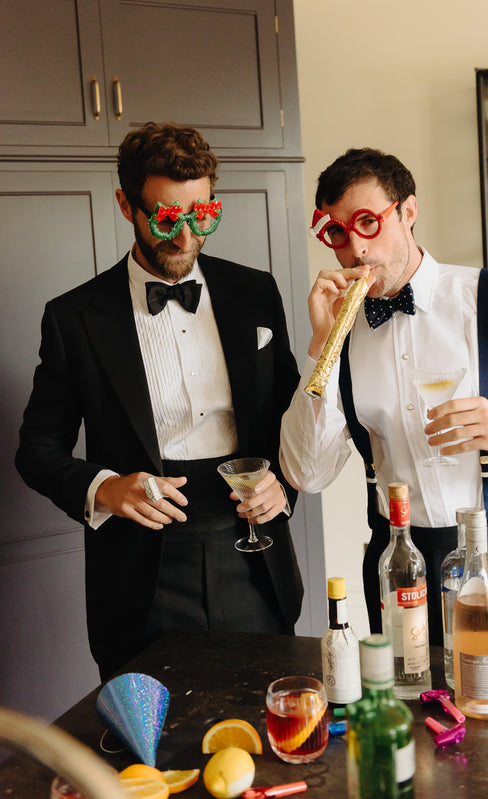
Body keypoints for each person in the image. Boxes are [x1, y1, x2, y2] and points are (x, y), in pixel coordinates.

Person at [16, 122, 303, 681]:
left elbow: (292, 417)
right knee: (150, 756)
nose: (187, 236)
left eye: (203, 215)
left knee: (267, 738)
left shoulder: (255, 292)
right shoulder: (73, 317)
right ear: (127, 204)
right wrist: (106, 488)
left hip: (252, 555)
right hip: (138, 572)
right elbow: (36, 449)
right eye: (168, 218)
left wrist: (285, 483)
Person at [280, 147, 488, 650]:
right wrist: (322, 348)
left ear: (408, 211)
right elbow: (305, 473)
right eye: (337, 232)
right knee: (412, 712)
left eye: (368, 222)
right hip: (398, 561)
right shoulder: (339, 333)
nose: (356, 249)